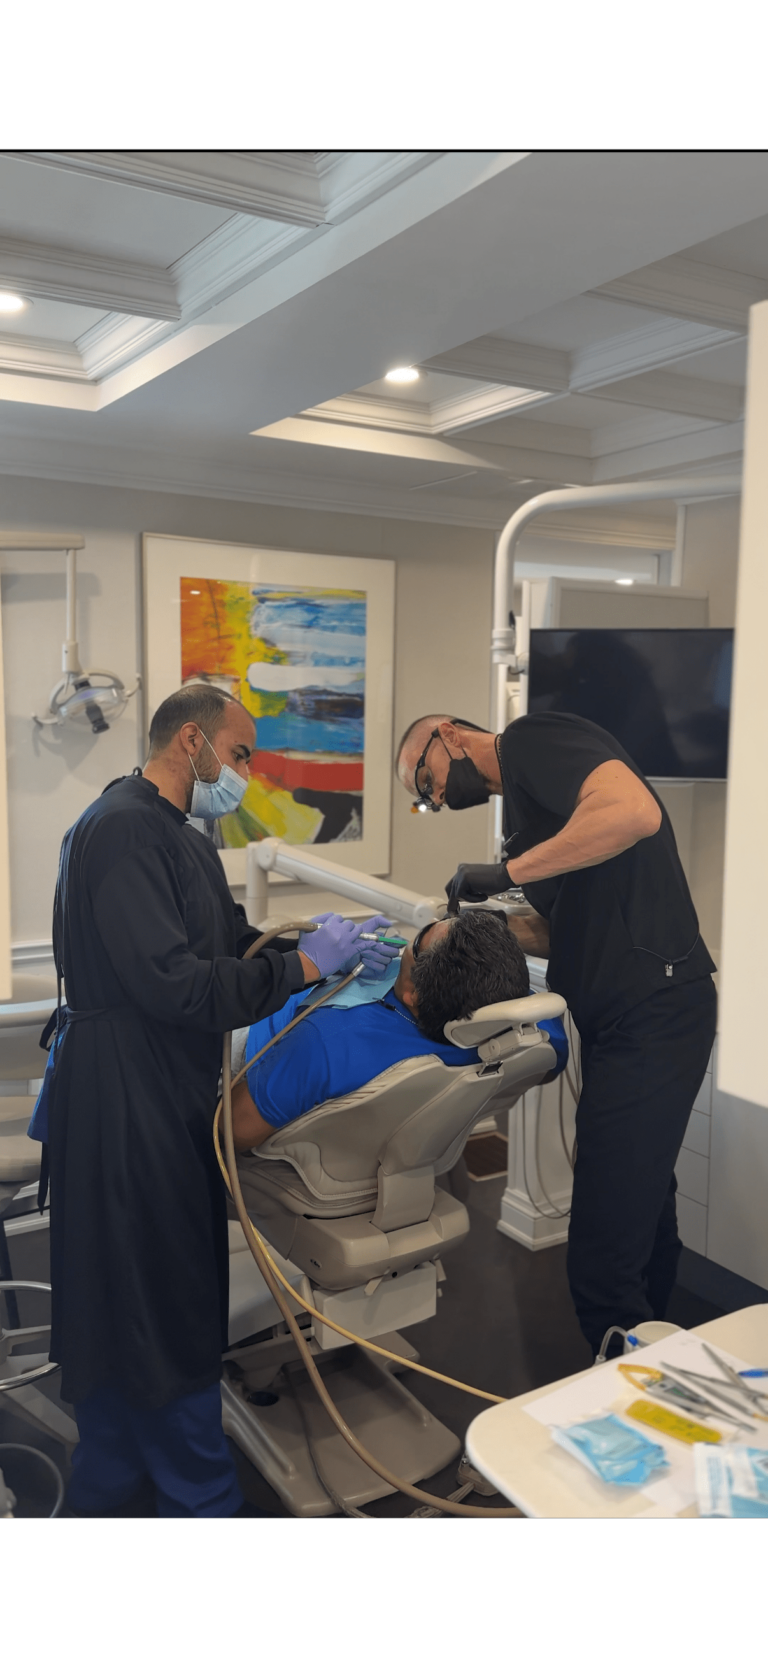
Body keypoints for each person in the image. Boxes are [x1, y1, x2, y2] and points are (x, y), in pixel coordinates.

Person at [34, 683, 397, 1518]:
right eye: (238, 755)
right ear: (190, 742)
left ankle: (113, 1479)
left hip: (161, 1085)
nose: (245, 773)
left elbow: (233, 946)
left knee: (142, 1286)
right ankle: (196, 1495)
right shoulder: (121, 829)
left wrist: (321, 948)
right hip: (124, 1094)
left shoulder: (180, 834)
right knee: (154, 1291)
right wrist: (299, 973)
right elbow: (176, 986)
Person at [396, 710, 717, 1357]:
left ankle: (622, 1394)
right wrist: (468, 929)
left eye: (423, 779)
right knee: (645, 1206)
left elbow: (634, 813)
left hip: (656, 1009)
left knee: (600, 1253)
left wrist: (506, 876)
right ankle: (660, 1355)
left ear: (450, 735)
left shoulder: (533, 741)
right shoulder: (524, 820)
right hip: (619, 1018)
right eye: (424, 799)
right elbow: (564, 925)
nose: (433, 797)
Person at [231, 909, 567, 1151]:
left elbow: (236, 1131)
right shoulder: (523, 1028)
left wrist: (304, 964)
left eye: (420, 937)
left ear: (414, 994)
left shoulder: (327, 1042)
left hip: (248, 1045)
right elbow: (547, 1066)